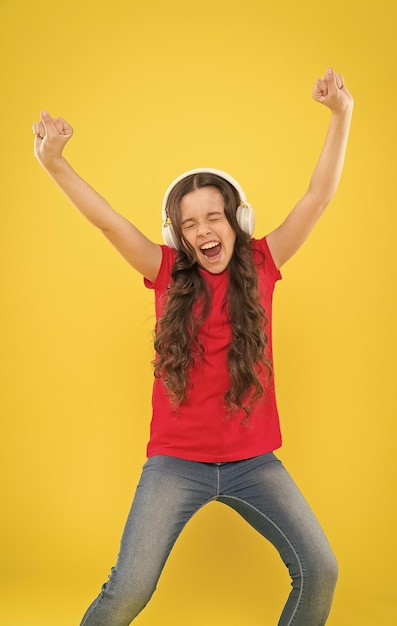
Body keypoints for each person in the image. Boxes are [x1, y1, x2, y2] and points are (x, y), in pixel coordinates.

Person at [33, 67, 353, 626]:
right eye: (189, 224)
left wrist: (341, 114)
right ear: (177, 235)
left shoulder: (262, 264)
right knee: (127, 590)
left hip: (255, 461)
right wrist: (54, 162)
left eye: (213, 216)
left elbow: (318, 198)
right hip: (175, 464)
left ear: (236, 220)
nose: (203, 230)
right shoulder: (163, 273)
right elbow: (109, 223)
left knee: (320, 568)